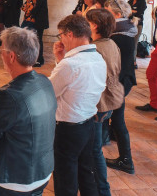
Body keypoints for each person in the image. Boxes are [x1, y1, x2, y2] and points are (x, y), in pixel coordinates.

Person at [0, 27, 57, 196]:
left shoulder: (6, 96)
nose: (0, 54)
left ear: (11, 56)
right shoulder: (44, 81)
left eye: (1, 50)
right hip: (42, 172)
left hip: (15, 179)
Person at [49, 15, 106, 196]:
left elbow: (50, 93)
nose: (61, 40)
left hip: (68, 129)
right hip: (88, 124)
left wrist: (61, 62)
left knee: (65, 178)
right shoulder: (98, 58)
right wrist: (60, 58)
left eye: (61, 36)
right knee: (86, 173)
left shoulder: (70, 64)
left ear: (70, 34)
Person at [85, 9, 124, 196]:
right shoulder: (110, 43)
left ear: (95, 25)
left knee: (94, 149)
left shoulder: (97, 48)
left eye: (87, 21)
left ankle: (102, 189)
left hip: (99, 103)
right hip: (108, 101)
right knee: (94, 147)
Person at [103, 0, 137, 174]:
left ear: (116, 14)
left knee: (118, 119)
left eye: (107, 11)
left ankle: (126, 160)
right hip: (124, 79)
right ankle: (109, 137)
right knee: (116, 118)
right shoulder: (126, 29)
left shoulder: (118, 34)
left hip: (119, 81)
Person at [28, 0, 49, 67]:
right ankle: (39, 58)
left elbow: (37, 9)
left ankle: (39, 59)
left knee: (38, 40)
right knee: (38, 39)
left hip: (40, 21)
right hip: (40, 21)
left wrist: (31, 12)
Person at [128, 0, 147, 64]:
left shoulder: (142, 2)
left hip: (138, 24)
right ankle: (129, 60)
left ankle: (134, 61)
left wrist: (131, 11)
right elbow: (126, 11)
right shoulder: (130, 2)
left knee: (134, 42)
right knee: (129, 43)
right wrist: (133, 11)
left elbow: (140, 12)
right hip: (129, 24)